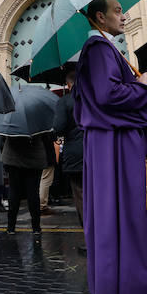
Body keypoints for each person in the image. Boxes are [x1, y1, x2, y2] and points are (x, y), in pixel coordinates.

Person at [73, 0, 147, 294]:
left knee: (109, 217)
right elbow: (109, 95)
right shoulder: (101, 49)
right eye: (117, 11)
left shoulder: (98, 50)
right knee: (129, 215)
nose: (124, 16)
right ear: (100, 18)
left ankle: (110, 293)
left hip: (105, 143)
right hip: (117, 142)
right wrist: (142, 86)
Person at [53, 69, 85, 251]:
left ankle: (91, 238)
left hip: (75, 155)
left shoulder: (65, 101)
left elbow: (58, 128)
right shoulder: (94, 98)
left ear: (69, 85)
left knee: (81, 196)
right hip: (98, 152)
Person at [1, 134, 51, 237]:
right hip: (35, 157)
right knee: (33, 193)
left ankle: (11, 227)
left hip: (13, 157)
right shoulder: (38, 119)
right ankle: (36, 228)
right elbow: (47, 137)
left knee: (14, 192)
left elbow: (2, 138)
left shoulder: (9, 118)